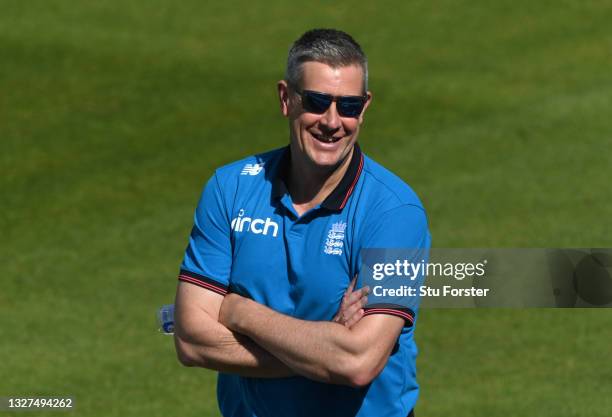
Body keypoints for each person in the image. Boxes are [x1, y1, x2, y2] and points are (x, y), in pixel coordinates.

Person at [174, 28, 431, 417]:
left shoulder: (394, 213)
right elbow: (192, 340)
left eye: (348, 105)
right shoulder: (229, 189)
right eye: (316, 101)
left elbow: (357, 363)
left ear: (364, 108)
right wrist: (324, 346)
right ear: (285, 99)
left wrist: (241, 312)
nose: (332, 121)